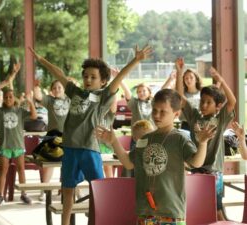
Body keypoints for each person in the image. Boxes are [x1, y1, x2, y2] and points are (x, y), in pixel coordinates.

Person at [29, 44, 152, 225]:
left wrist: (135, 60)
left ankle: (97, 221)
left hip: (89, 149)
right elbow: (59, 74)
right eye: (85, 76)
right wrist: (41, 60)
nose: (88, 79)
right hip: (69, 148)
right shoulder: (75, 91)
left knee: (98, 191)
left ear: (102, 81)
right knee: (67, 189)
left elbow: (119, 77)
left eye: (93, 77)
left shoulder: (103, 96)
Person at [95, 88, 215, 224]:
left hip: (171, 211)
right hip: (145, 211)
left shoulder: (180, 138)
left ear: (176, 114)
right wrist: (114, 141)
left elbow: (196, 163)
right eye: (154, 110)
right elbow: (129, 163)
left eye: (163, 111)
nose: (157, 115)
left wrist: (203, 143)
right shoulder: (144, 139)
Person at [176, 65, 236, 221]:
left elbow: (232, 101)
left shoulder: (220, 119)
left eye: (208, 102)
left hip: (214, 172)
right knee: (198, 208)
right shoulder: (195, 117)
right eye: (202, 101)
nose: (203, 105)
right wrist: (179, 73)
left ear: (217, 106)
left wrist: (221, 80)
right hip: (196, 169)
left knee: (216, 210)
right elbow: (180, 99)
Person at [0, 87, 37, 207]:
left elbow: (34, 116)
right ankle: (0, 196)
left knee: (21, 170)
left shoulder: (20, 111)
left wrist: (30, 101)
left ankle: (24, 194)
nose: (8, 99)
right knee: (3, 171)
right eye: (6, 97)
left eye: (10, 97)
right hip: (4, 146)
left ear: (14, 99)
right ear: (3, 99)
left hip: (18, 145)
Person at [33, 79, 70, 200]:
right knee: (50, 164)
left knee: (69, 163)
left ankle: (72, 190)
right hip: (52, 136)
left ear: (64, 89)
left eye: (60, 87)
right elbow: (38, 96)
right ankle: (44, 191)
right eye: (54, 88)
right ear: (51, 91)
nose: (57, 89)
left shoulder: (70, 100)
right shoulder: (50, 100)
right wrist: (36, 86)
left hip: (68, 136)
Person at [175, 58, 202, 130]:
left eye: (191, 77)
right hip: (186, 126)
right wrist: (179, 71)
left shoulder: (202, 93)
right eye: (186, 78)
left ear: (196, 79)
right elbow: (178, 94)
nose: (188, 80)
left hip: (200, 125)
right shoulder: (182, 94)